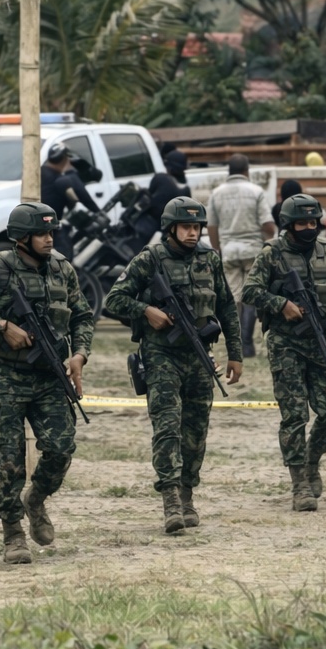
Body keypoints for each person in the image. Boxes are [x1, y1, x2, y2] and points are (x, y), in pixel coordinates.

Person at [0, 203, 95, 565]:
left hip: (50, 376)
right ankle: (13, 532)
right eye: (41, 234)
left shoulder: (62, 269)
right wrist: (2, 326)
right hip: (6, 375)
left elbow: (82, 315)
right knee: (8, 458)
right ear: (21, 238)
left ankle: (36, 499)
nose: (49, 239)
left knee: (61, 447)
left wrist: (79, 355)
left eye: (51, 233)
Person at [103, 196, 242, 533]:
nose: (193, 233)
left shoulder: (209, 260)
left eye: (197, 227)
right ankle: (170, 500)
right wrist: (146, 311)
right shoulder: (150, 259)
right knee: (167, 427)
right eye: (186, 227)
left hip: (199, 356)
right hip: (161, 354)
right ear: (170, 229)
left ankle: (187, 493)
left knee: (195, 430)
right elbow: (114, 300)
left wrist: (235, 353)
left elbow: (226, 306)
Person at [242, 193, 326, 511]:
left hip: (321, 341)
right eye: (302, 223)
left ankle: (311, 460)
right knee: (295, 416)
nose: (309, 228)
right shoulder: (272, 253)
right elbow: (250, 291)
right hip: (286, 344)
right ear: (288, 225)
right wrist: (280, 303)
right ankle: (300, 485)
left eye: (313, 222)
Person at [206, 154, 275, 358]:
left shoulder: (216, 194)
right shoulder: (256, 192)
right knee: (251, 297)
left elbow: (212, 226)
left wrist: (218, 248)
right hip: (253, 250)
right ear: (246, 170)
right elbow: (267, 225)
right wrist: (269, 238)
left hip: (228, 251)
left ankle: (235, 343)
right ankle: (247, 342)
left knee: (234, 298)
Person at [40, 143, 101, 257]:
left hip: (39, 224)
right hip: (50, 228)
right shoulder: (60, 180)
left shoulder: (41, 172)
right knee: (65, 254)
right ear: (64, 159)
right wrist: (97, 212)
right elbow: (79, 199)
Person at [146, 150, 190, 232]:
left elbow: (147, 198)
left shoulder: (160, 179)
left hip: (152, 230)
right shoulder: (185, 189)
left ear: (169, 167)